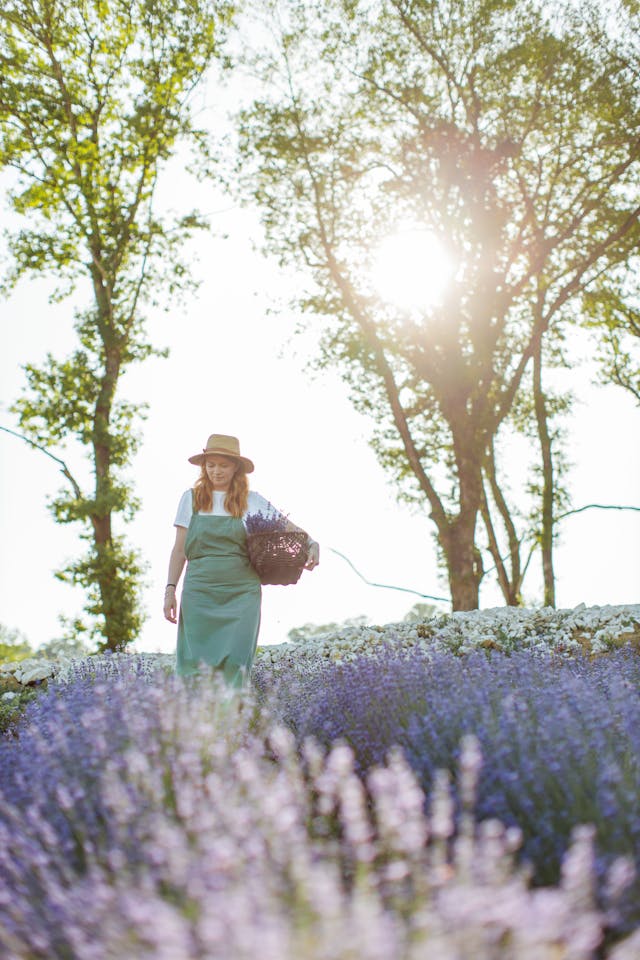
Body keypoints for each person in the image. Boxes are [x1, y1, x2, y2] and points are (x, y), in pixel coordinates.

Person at [163, 433, 319, 686]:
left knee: (236, 663)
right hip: (199, 591)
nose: (216, 471)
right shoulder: (190, 499)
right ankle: (196, 722)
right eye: (210, 465)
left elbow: (291, 530)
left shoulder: (252, 500)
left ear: (236, 467)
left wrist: (312, 542)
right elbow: (179, 550)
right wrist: (170, 590)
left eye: (223, 465)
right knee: (196, 667)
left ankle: (234, 722)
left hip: (241, 593)